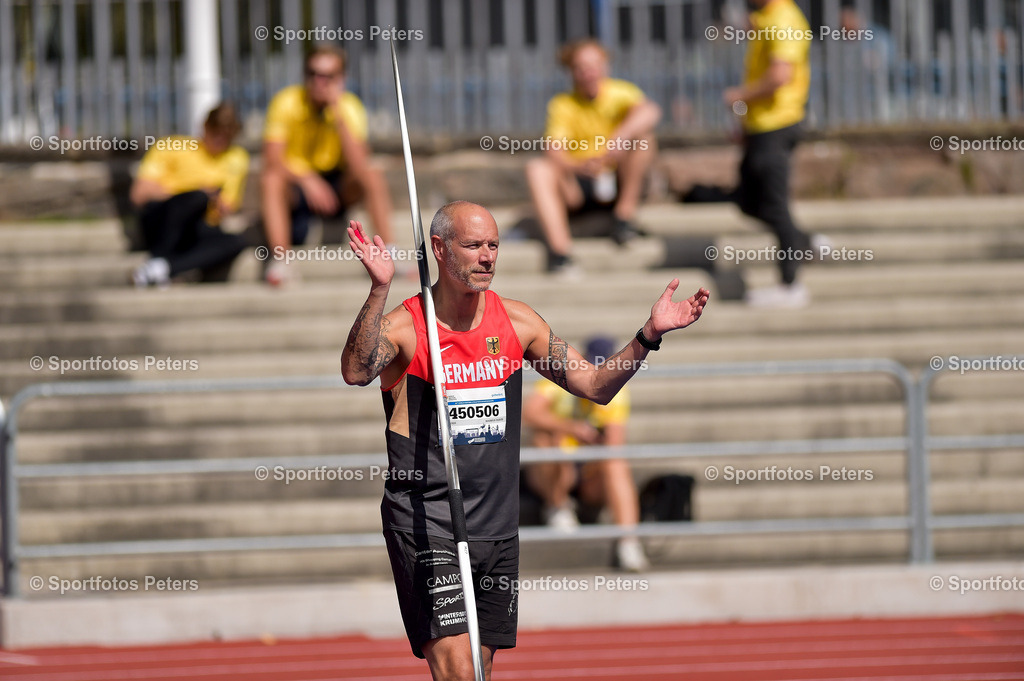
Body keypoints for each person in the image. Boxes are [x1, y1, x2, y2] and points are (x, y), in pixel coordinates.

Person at [341, 200, 708, 680]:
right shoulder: (409, 326)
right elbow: (355, 371)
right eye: (473, 245)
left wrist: (648, 335)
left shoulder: (518, 322)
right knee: (459, 668)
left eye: (493, 245)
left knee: (480, 667)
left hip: (496, 523)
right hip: (428, 521)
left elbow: (595, 386)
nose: (487, 256)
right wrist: (379, 289)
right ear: (439, 249)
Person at [261, 44, 395, 286]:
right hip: (298, 186)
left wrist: (337, 114)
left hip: (338, 185)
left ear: (341, 78)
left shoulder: (349, 106)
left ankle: (389, 253)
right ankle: (281, 260)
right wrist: (307, 179)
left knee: (372, 174)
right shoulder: (286, 101)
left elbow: (359, 164)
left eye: (328, 76)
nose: (319, 82)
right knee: (271, 179)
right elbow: (272, 159)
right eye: (313, 74)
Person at [525, 39, 662, 275]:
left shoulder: (621, 92)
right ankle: (561, 253)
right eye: (581, 67)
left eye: (593, 65)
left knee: (645, 140)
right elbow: (553, 149)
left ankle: (624, 218)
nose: (588, 72)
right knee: (537, 168)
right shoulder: (562, 104)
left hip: (617, 175)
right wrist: (578, 166)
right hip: (579, 182)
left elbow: (650, 112)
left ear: (605, 65)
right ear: (571, 71)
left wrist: (618, 140)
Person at [723, 0, 822, 308]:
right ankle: (805, 242)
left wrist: (739, 97)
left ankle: (790, 285)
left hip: (777, 126)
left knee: (774, 204)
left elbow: (779, 76)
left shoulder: (783, 18)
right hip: (760, 127)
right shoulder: (766, 16)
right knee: (748, 201)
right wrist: (744, 119)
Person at [523, 335, 649, 572]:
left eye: (602, 368)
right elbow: (529, 413)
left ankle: (628, 541)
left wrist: (591, 440)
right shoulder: (559, 379)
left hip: (588, 471)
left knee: (615, 461)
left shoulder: (617, 391)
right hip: (557, 465)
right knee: (546, 437)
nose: (597, 376)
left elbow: (614, 445)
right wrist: (571, 428)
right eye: (594, 367)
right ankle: (557, 505)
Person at [130, 103, 248, 288]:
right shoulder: (173, 145)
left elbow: (227, 207)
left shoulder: (237, 158)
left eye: (227, 136)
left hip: (196, 229)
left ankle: (161, 267)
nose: (220, 140)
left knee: (237, 241)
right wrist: (191, 194)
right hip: (161, 223)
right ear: (205, 126)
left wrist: (216, 202)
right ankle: (160, 257)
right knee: (196, 198)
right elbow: (139, 194)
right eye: (215, 132)